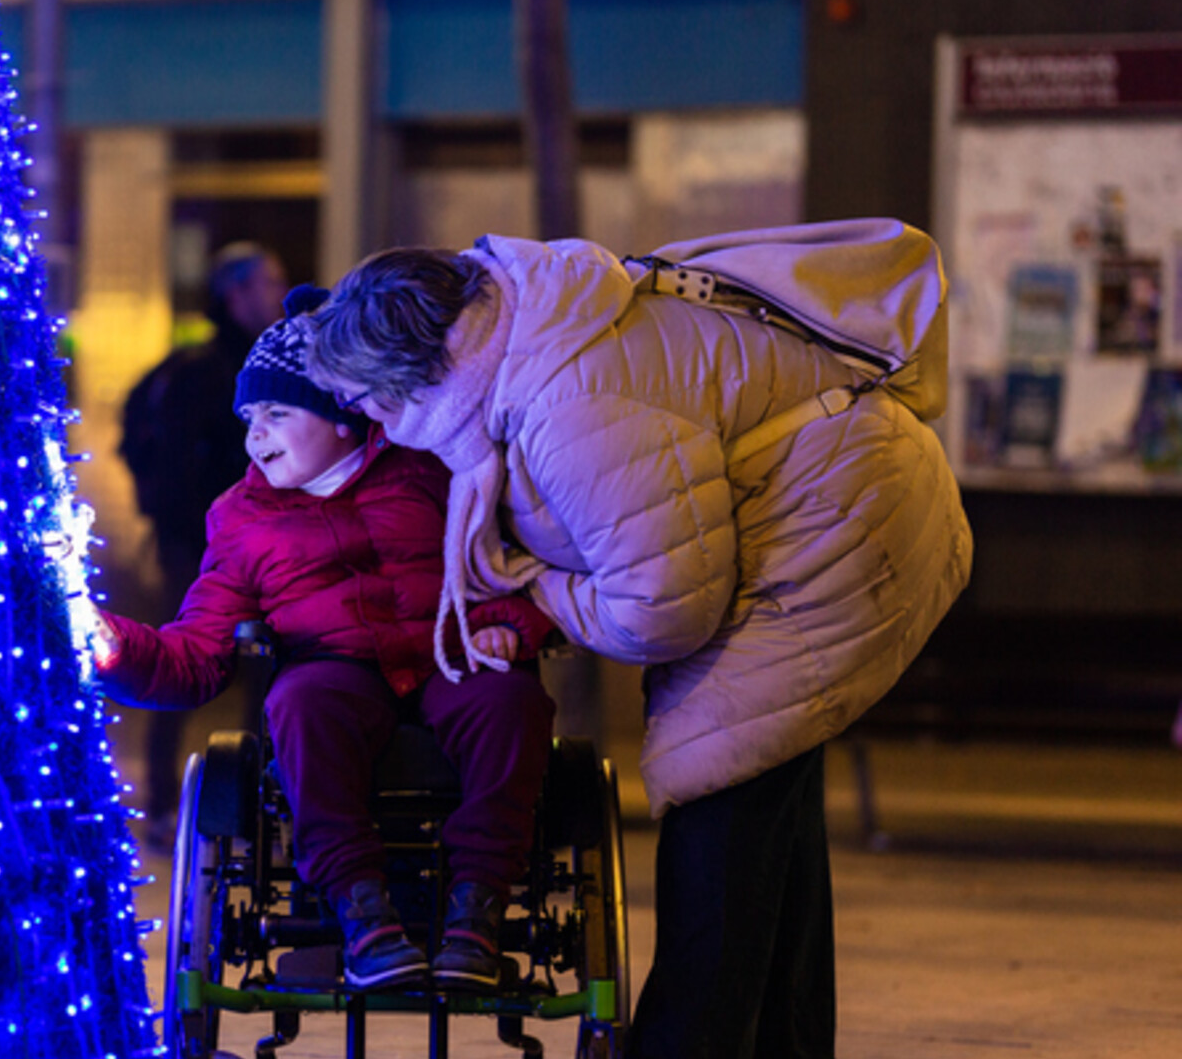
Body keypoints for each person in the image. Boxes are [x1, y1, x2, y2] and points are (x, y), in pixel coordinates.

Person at [306, 223, 972, 1055]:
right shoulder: (524, 322)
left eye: (364, 397)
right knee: (771, 814)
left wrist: (532, 584)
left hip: (832, 527)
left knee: (719, 812)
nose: (363, 416)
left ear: (413, 373)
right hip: (834, 500)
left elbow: (662, 609)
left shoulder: (568, 405)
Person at [96, 295, 558, 991]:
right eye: (249, 418)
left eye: (277, 414)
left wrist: (510, 623)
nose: (257, 434)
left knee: (509, 700)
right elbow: (195, 653)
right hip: (335, 668)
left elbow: (508, 564)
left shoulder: (432, 470)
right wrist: (114, 647)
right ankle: (361, 911)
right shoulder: (241, 518)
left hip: (450, 652)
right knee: (300, 703)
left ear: (344, 415)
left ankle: (477, 908)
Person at [119, 242, 288, 849]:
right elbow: (164, 455)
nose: (280, 293)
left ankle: (252, 801)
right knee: (181, 663)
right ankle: (165, 806)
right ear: (235, 293)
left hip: (254, 543)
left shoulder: (263, 362)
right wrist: (184, 528)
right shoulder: (204, 370)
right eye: (269, 282)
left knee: (265, 673)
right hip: (199, 544)